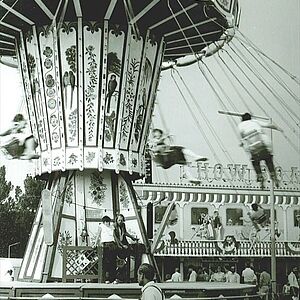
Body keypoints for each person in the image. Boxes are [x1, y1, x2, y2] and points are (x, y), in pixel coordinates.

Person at [238, 113, 282, 188]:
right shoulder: (254, 121)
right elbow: (268, 125)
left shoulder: (240, 125)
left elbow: (242, 136)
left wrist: (242, 143)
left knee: (255, 162)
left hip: (253, 147)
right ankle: (273, 175)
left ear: (242, 119)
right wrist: (278, 128)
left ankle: (259, 175)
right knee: (268, 160)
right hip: (262, 143)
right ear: (250, 118)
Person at [94, 215, 116, 283]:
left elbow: (115, 236)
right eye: (106, 222)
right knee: (105, 262)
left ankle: (112, 278)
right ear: (103, 222)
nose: (107, 223)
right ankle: (106, 279)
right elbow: (98, 235)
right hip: (105, 245)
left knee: (113, 262)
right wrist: (95, 243)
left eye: (108, 222)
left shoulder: (112, 227)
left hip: (112, 244)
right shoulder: (101, 226)